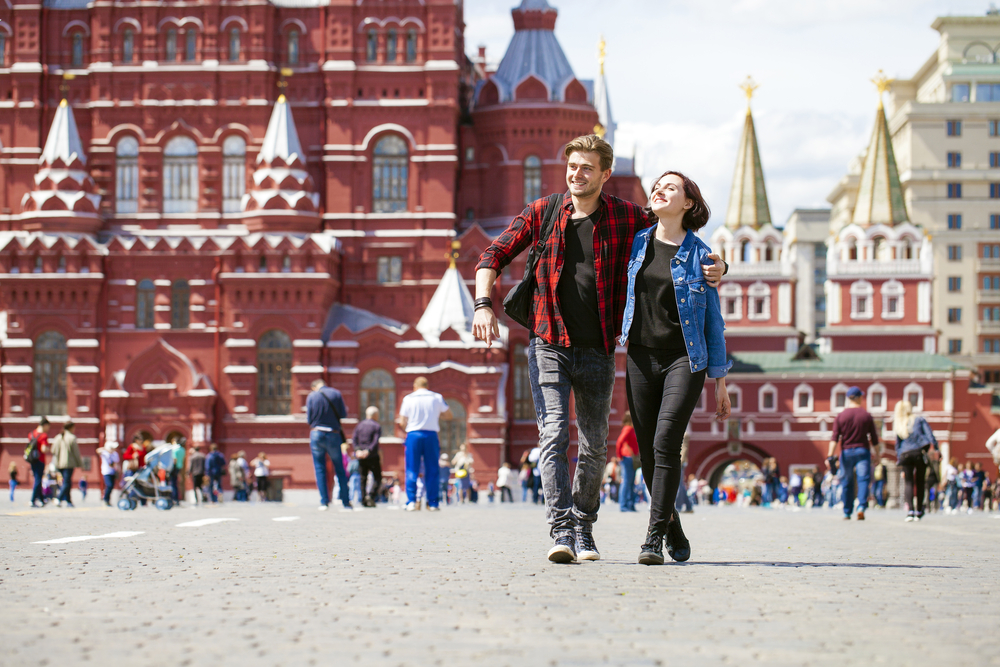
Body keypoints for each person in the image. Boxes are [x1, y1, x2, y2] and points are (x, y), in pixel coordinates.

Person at [472, 135, 726, 563]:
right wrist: (483, 304)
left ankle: (585, 527)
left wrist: (718, 266)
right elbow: (492, 254)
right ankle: (561, 528)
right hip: (548, 340)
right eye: (572, 166)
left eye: (587, 168)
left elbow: (675, 236)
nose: (577, 174)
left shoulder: (627, 218)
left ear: (605, 174)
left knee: (593, 445)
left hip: (598, 349)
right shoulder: (543, 212)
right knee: (553, 433)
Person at [619, 171, 732, 566]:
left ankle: (651, 538)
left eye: (671, 187)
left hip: (686, 358)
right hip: (639, 357)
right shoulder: (635, 243)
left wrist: (720, 380)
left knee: (666, 440)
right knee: (649, 452)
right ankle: (671, 523)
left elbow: (712, 321)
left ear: (687, 203)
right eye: (657, 186)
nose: (659, 190)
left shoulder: (702, 255)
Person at [398, 376, 451, 512]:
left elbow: (402, 421)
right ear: (427, 386)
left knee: (411, 469)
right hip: (431, 435)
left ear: (415, 386)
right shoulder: (436, 397)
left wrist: (409, 427)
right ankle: (432, 503)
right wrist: (437, 415)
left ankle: (411, 502)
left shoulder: (408, 398)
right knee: (432, 469)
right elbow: (449, 415)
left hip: (413, 435)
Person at [828, 387, 879, 521]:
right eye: (861, 396)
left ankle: (847, 511)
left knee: (847, 481)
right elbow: (874, 438)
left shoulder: (841, 416)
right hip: (862, 451)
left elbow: (834, 438)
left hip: (846, 452)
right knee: (863, 480)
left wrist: (829, 456)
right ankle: (861, 507)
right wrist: (878, 455)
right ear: (857, 398)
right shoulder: (866, 415)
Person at [305, 379, 352, 512]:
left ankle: (324, 502)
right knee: (339, 469)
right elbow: (343, 414)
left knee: (320, 468)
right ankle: (346, 502)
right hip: (333, 433)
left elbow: (309, 419)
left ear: (314, 387)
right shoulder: (336, 394)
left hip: (316, 433)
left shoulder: (312, 396)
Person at [894, 399, 940, 522]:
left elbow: (897, 444)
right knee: (920, 482)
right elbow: (930, 435)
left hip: (905, 454)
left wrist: (899, 458)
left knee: (908, 482)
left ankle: (910, 511)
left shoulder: (899, 422)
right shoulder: (919, 419)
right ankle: (919, 510)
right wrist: (936, 448)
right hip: (919, 452)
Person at [352, 406, 384, 507]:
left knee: (363, 478)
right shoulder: (376, 426)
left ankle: (363, 499)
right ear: (375, 415)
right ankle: (370, 496)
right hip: (372, 456)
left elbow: (354, 439)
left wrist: (358, 451)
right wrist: (368, 450)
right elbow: (375, 441)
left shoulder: (359, 425)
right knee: (378, 478)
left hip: (361, 456)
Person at [50, 421, 82, 508]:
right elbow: (76, 452)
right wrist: (80, 463)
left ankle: (68, 501)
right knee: (67, 482)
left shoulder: (58, 437)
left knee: (66, 482)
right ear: (71, 428)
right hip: (69, 463)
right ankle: (59, 498)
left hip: (59, 463)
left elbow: (52, 450)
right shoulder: (71, 437)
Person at [26, 418, 51, 507]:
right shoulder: (43, 435)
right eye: (48, 427)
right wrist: (49, 449)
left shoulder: (31, 434)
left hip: (32, 459)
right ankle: (32, 500)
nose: (48, 429)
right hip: (40, 460)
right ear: (44, 425)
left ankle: (41, 499)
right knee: (38, 479)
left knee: (37, 478)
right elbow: (43, 449)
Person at [616, 412, 638, 512]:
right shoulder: (628, 429)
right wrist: (619, 456)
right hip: (627, 458)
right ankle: (623, 505)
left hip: (630, 458)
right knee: (626, 482)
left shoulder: (632, 429)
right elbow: (619, 442)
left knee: (631, 482)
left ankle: (630, 504)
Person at [97, 442, 120, 507]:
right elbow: (98, 450)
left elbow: (116, 463)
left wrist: (118, 470)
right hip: (106, 472)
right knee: (109, 485)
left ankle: (108, 500)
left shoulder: (115, 454)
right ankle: (105, 499)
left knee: (111, 486)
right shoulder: (105, 453)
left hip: (113, 472)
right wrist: (106, 449)